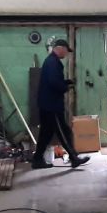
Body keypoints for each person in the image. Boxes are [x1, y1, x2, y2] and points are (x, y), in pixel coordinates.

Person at [32, 39, 91, 170]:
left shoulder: (50, 61)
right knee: (64, 131)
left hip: (46, 104)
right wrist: (65, 87)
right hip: (52, 105)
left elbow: (53, 80)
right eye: (66, 51)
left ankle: (37, 160)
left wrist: (65, 81)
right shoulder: (54, 62)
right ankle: (74, 158)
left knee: (46, 133)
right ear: (60, 48)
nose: (66, 54)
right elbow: (54, 82)